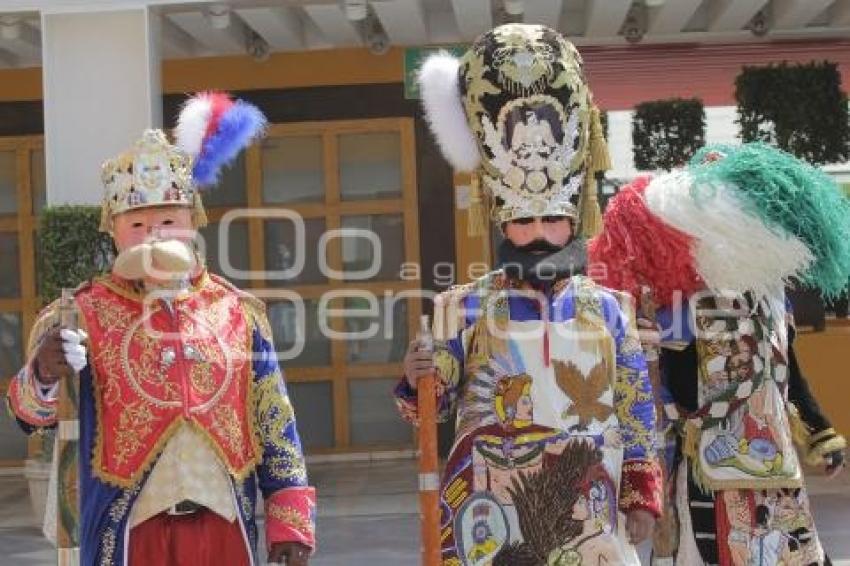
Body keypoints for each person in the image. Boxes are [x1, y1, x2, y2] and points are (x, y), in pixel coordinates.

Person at [6, 93, 315, 566]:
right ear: (113, 230)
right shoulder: (78, 315)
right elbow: (30, 415)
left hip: (224, 523)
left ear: (194, 223)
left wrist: (289, 519)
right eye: (138, 223)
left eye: (169, 220)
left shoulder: (237, 311)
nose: (155, 235)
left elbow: (275, 421)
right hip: (127, 528)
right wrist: (44, 375)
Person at [396, 24, 662, 565]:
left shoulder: (611, 309)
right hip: (493, 507)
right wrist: (417, 375)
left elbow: (636, 409)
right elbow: (429, 404)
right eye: (524, 220)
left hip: (593, 504)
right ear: (498, 219)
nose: (539, 232)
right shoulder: (461, 306)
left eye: (551, 218)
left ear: (575, 218)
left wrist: (641, 492)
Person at [589, 143, 849, 565]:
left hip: (772, 457)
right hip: (704, 460)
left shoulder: (770, 294)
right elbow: (664, 376)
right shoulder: (680, 299)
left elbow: (787, 369)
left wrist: (820, 430)